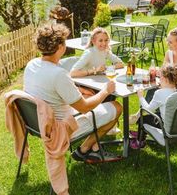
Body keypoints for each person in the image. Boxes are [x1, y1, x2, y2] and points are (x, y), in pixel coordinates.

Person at [23, 21, 123, 162]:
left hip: (38, 123)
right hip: (62, 128)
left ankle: (93, 148)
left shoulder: (31, 64)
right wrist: (106, 91)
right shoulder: (58, 74)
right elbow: (84, 108)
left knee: (89, 95)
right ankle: (84, 150)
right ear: (60, 47)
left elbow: (53, 90)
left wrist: (80, 90)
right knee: (117, 107)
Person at [131, 64, 177, 149]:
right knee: (156, 114)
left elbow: (147, 109)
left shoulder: (160, 93)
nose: (159, 79)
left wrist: (141, 97)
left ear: (165, 79)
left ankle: (139, 142)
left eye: (160, 77)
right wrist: (163, 86)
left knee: (142, 119)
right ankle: (141, 134)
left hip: (167, 126)